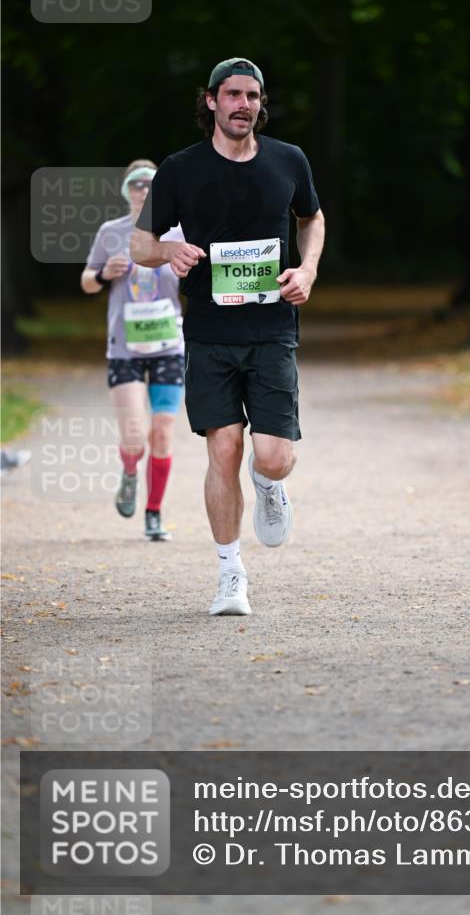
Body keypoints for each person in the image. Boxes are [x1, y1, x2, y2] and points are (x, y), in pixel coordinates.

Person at [130, 57, 325, 615]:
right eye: (233, 95)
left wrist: (307, 270)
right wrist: (169, 250)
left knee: (273, 456)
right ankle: (229, 574)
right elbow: (140, 246)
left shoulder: (289, 160)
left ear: (262, 104)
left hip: (272, 330)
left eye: (254, 96)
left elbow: (312, 218)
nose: (244, 104)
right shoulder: (180, 169)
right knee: (224, 447)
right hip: (211, 332)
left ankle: (269, 485)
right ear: (211, 101)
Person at [81, 159, 186, 540]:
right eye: (135, 184)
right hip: (124, 348)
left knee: (162, 433)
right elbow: (86, 281)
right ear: (126, 191)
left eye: (150, 183)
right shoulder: (112, 232)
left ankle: (154, 512)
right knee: (134, 436)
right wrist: (102, 274)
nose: (143, 190)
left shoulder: (178, 230)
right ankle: (129, 471)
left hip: (168, 346)